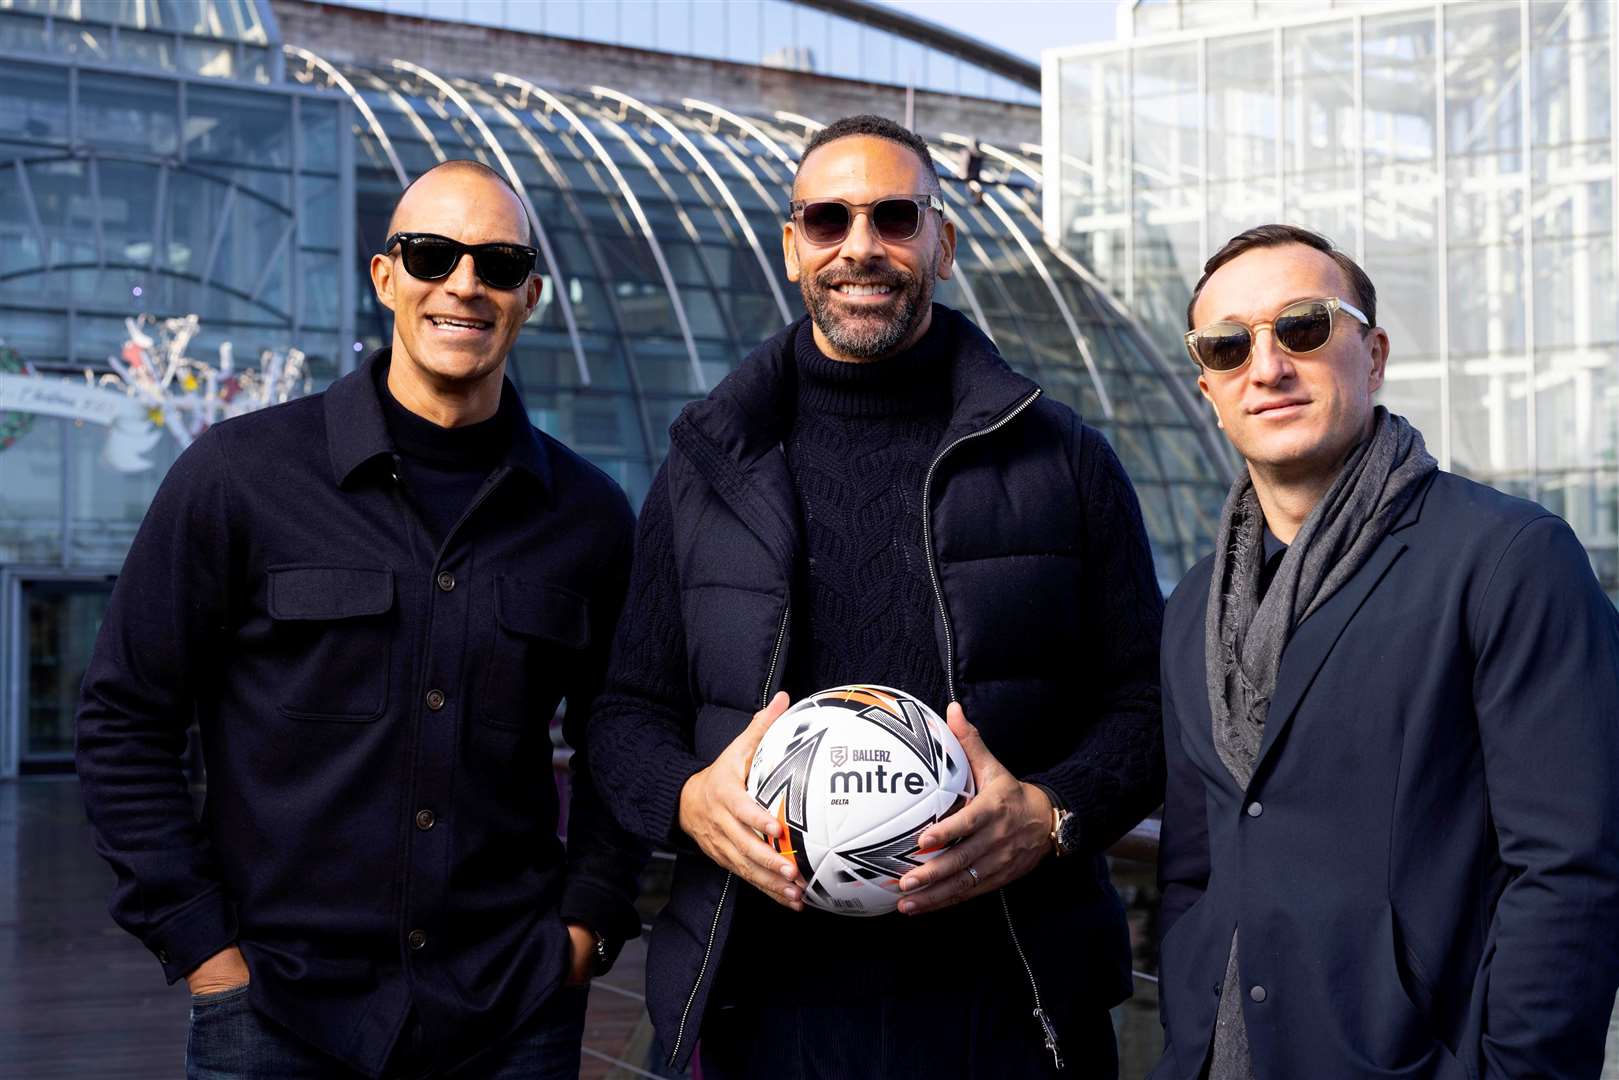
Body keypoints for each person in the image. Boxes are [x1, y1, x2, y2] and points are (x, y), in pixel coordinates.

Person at [586, 114, 1165, 1079]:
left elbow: (1146, 702)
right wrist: (686, 801)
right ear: (791, 247)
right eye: (828, 220)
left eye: (894, 217)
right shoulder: (705, 466)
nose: (860, 246)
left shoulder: (1061, 457)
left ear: (942, 243)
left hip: (1012, 1001)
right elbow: (624, 712)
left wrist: (1053, 812)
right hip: (768, 1002)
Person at [76, 159, 646, 1080]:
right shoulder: (239, 475)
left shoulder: (587, 515)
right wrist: (201, 947)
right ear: (385, 276)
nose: (465, 283)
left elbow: (620, 735)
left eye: (498, 265)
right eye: (433, 254)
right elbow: (124, 717)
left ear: (530, 296)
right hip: (275, 1015)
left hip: (510, 1015)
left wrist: (588, 927)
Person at [1153, 223, 1619, 1079]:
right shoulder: (1192, 607)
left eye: (1301, 326)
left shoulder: (1507, 559)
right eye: (1227, 345)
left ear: (1371, 355)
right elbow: (1195, 867)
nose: (1266, 367)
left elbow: (1570, 873)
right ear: (1207, 389)